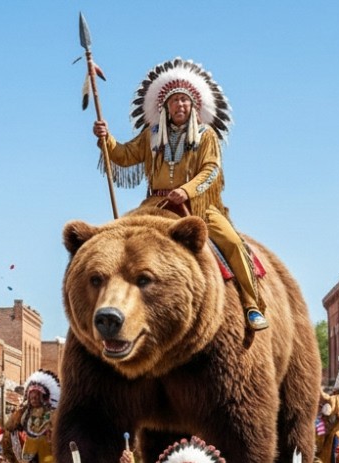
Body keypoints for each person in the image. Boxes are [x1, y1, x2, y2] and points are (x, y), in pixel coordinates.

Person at [93, 58, 266, 331]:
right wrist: (106, 138)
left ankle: (251, 303)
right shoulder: (151, 135)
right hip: (155, 204)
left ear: (193, 106)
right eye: (175, 102)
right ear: (166, 106)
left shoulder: (206, 135)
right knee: (115, 241)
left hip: (199, 207)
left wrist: (186, 191)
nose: (180, 106)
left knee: (231, 242)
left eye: (185, 101)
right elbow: (124, 156)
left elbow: (211, 169)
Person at [2, 370, 61, 463]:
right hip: (30, 452)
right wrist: (15, 448)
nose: (34, 398)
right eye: (31, 395)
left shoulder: (52, 413)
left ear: (43, 396)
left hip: (49, 451)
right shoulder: (23, 413)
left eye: (37, 395)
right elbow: (10, 428)